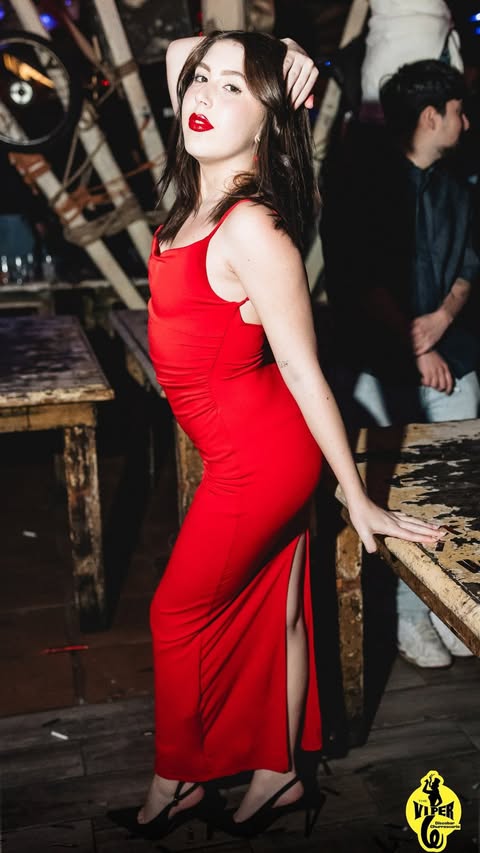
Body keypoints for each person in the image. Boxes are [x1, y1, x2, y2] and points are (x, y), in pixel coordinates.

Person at [110, 32, 444, 842]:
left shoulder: (251, 227)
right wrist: (272, 55)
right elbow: (180, 56)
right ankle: (282, 778)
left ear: (268, 120)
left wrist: (356, 495)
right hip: (245, 445)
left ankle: (177, 782)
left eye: (234, 89)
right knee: (275, 612)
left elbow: (302, 369)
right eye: (203, 81)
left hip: (258, 460)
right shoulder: (191, 187)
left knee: (173, 614)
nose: (202, 95)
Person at [321, 59, 480, 669]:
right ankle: (407, 613)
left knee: (457, 478)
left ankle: (445, 604)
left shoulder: (456, 183)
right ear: (431, 116)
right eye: (459, 112)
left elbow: (469, 266)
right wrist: (418, 343)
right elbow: (360, 280)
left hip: (446, 354)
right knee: (391, 484)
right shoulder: (363, 185)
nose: (467, 123)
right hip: (376, 361)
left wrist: (441, 321)